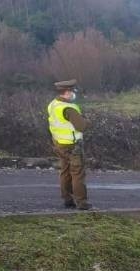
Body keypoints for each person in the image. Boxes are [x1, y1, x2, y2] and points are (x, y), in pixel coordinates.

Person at [48, 79, 91, 210]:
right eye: (72, 91)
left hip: (59, 144)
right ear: (66, 93)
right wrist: (87, 121)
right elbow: (81, 127)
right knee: (77, 174)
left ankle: (67, 199)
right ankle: (82, 202)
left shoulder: (53, 104)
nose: (74, 93)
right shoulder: (69, 108)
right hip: (72, 146)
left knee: (65, 172)